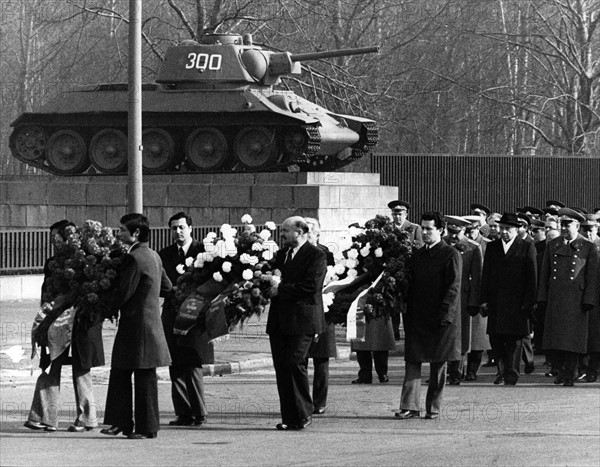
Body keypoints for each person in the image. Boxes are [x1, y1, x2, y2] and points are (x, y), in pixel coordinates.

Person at [25, 220, 104, 433]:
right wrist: (45, 317)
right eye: (52, 239)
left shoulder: (87, 259)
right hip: (55, 322)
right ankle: (44, 417)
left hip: (80, 322)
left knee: (81, 369)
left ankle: (87, 418)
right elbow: (46, 292)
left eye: (56, 238)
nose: (53, 243)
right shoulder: (52, 262)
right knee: (50, 365)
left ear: (70, 238)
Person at [102, 213, 172, 439]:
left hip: (135, 325)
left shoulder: (133, 258)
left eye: (122, 230)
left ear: (136, 233)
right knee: (142, 376)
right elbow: (167, 287)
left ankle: (132, 425)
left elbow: (123, 293)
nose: (118, 233)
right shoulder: (153, 256)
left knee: (125, 374)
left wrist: (101, 306)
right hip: (150, 324)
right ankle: (140, 426)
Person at [396, 211, 461, 420]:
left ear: (440, 230)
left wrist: (446, 315)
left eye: (429, 229)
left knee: (438, 363)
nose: (424, 233)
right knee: (413, 360)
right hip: (417, 316)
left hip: (440, 317)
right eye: (422, 228)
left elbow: (454, 288)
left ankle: (433, 407)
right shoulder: (417, 255)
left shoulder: (450, 254)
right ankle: (409, 406)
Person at [267, 216, 327, 431]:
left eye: (285, 231)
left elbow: (311, 286)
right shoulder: (281, 255)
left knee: (295, 362)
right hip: (280, 321)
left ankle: (303, 413)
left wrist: (280, 289)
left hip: (303, 320)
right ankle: (289, 417)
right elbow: (271, 275)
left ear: (300, 232)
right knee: (282, 367)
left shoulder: (316, 255)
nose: (282, 235)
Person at [159, 212, 212, 426]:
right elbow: (162, 284)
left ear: (190, 227)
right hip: (172, 312)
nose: (178, 232)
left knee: (192, 362)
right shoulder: (165, 254)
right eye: (174, 228)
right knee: (175, 363)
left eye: (181, 227)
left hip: (196, 315)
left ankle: (199, 412)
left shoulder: (204, 252)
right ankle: (183, 412)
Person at [537, 208, 599, 386]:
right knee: (557, 339)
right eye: (562, 225)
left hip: (576, 300)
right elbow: (545, 274)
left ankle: (570, 373)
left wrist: (589, 300)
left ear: (577, 226)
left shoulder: (588, 246)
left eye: (568, 225)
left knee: (573, 340)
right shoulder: (553, 244)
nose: (564, 229)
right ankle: (562, 371)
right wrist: (542, 297)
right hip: (556, 298)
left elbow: (591, 277)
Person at [481, 213, 537, 385]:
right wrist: (483, 299)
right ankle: (501, 371)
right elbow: (486, 275)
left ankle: (511, 373)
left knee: (514, 341)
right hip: (496, 302)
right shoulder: (493, 247)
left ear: (517, 229)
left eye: (508, 229)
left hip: (517, 303)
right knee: (496, 338)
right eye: (502, 228)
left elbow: (532, 277)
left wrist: (529, 302)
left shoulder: (526, 246)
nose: (504, 232)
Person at [442, 216, 483, 384]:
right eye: (450, 231)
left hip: (462, 298)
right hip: (443, 297)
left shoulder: (473, 248)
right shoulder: (442, 244)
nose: (453, 236)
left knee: (460, 336)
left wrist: (474, 302)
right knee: (442, 334)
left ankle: (456, 372)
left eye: (456, 233)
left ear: (463, 231)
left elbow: (477, 277)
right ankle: (439, 370)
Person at [304, 217, 336, 415]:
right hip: (304, 311)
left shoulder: (326, 253)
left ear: (317, 234)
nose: (306, 233)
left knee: (321, 360)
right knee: (301, 358)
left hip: (324, 310)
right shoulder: (296, 253)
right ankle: (303, 400)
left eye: (310, 230)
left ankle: (319, 402)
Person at [388, 200, 422, 339]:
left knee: (407, 304)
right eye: (394, 214)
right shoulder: (387, 228)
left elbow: (419, 249)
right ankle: (394, 333)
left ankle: (410, 334)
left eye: (400, 214)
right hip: (391, 273)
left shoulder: (414, 228)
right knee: (392, 303)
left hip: (408, 272)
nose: (397, 217)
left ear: (406, 214)